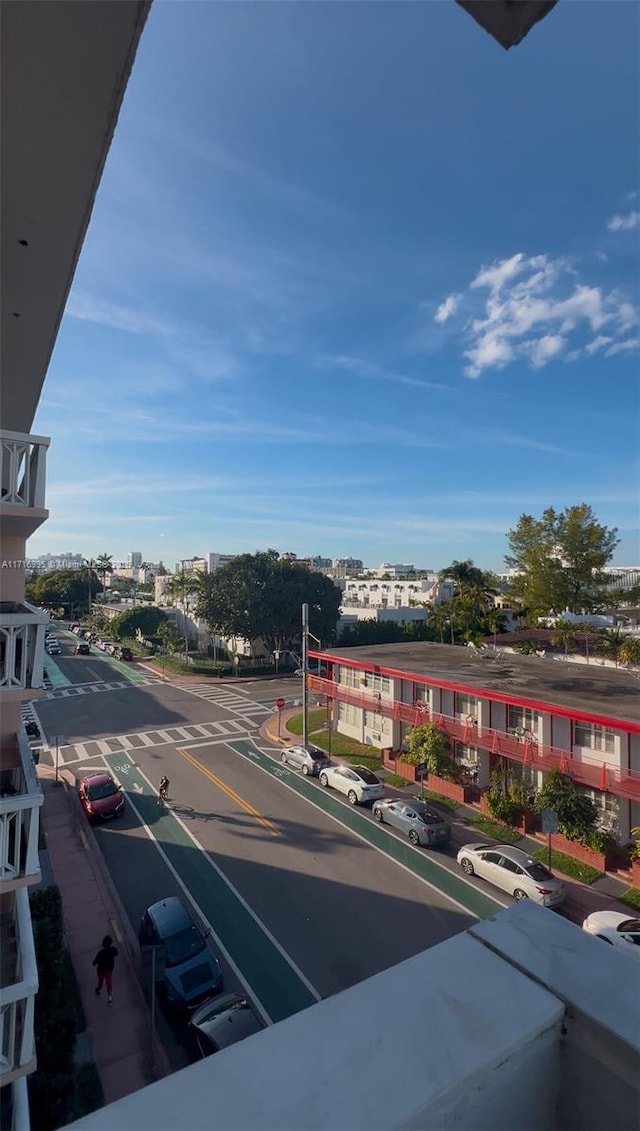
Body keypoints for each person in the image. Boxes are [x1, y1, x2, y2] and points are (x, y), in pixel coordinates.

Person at [93, 934, 118, 1005]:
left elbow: (94, 962)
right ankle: (110, 998)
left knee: (101, 981)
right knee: (108, 983)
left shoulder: (101, 953)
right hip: (109, 969)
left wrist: (96, 961)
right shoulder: (112, 950)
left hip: (101, 970)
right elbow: (116, 953)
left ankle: (98, 989)